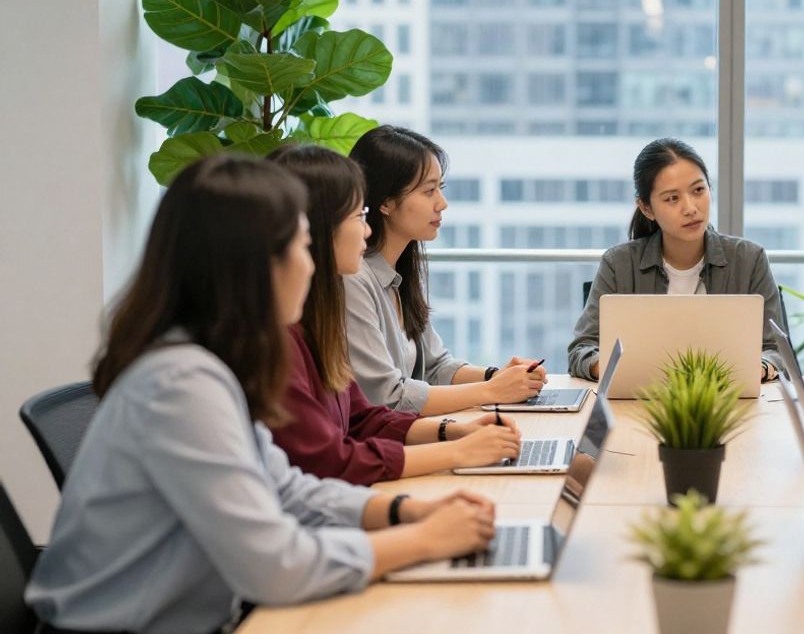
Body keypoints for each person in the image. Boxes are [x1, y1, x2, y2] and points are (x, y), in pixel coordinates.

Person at [26, 156, 499, 634]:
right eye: (300, 244)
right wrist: (424, 540)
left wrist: (404, 510)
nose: (309, 262)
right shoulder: (181, 384)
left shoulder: (210, 362)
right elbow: (276, 565)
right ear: (253, 265)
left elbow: (286, 489)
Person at [267, 145, 521, 485]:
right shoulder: (289, 335)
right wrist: (462, 440)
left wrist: (456, 431)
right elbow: (337, 453)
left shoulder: (322, 318)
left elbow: (365, 417)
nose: (367, 229)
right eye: (359, 217)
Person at [347, 125, 547, 416]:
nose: (442, 203)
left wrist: (498, 376)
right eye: (429, 191)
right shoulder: (354, 281)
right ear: (386, 202)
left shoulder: (399, 274)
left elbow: (436, 366)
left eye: (440, 188)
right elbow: (387, 398)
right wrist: (493, 390)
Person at [568, 138, 785, 380]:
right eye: (672, 198)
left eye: (698, 190)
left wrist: (761, 368)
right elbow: (581, 348)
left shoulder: (749, 260)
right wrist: (612, 369)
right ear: (646, 208)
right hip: (640, 404)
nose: (691, 208)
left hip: (729, 404)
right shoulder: (619, 265)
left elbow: (776, 350)